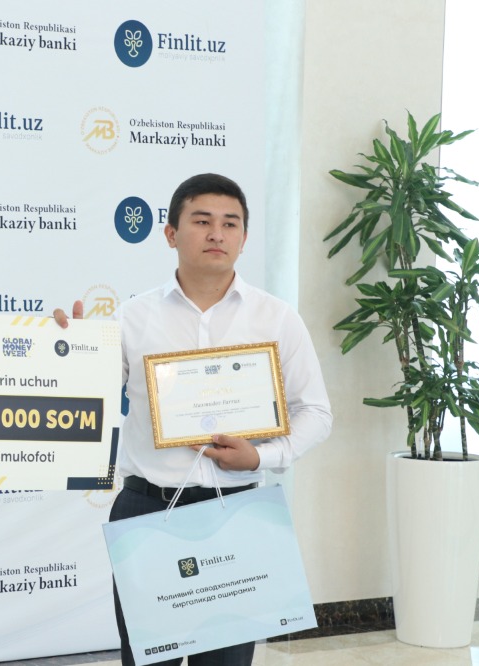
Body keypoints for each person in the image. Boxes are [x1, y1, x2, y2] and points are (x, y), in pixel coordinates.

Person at [55, 173, 332, 666]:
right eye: (202, 221)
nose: (216, 234)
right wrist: (73, 352)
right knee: (148, 660)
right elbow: (87, 402)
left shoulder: (276, 318)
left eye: (230, 223)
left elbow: (316, 413)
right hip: (147, 511)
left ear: (244, 238)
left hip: (236, 511)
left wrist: (261, 457)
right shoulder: (133, 317)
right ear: (171, 233)